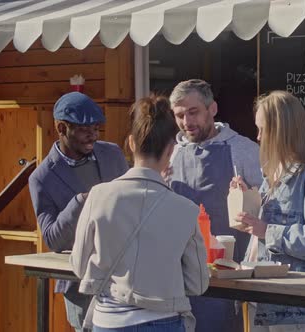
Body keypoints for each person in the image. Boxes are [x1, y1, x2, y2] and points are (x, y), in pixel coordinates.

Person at [70, 96, 209, 332]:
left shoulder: (98, 196)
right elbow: (198, 283)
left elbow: (79, 266)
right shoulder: (185, 209)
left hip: (109, 320)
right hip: (162, 320)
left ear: (131, 143)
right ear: (171, 149)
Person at [232, 91, 305, 332]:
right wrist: (247, 201)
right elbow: (261, 230)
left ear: (281, 132)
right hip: (262, 297)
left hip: (292, 304)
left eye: (263, 130)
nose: (258, 137)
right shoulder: (272, 175)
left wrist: (266, 230)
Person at [29, 91, 129, 332]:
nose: (93, 135)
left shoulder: (112, 153)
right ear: (62, 128)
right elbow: (52, 239)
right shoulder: (41, 178)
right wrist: (81, 201)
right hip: (81, 285)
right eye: (86, 129)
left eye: (96, 128)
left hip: (125, 276)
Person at [168, 79, 262, 332]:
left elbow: (268, 204)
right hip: (179, 273)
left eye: (193, 112)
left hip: (228, 273)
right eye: (179, 115)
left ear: (213, 109)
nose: (187, 121)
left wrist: (249, 197)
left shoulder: (243, 150)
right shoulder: (171, 153)